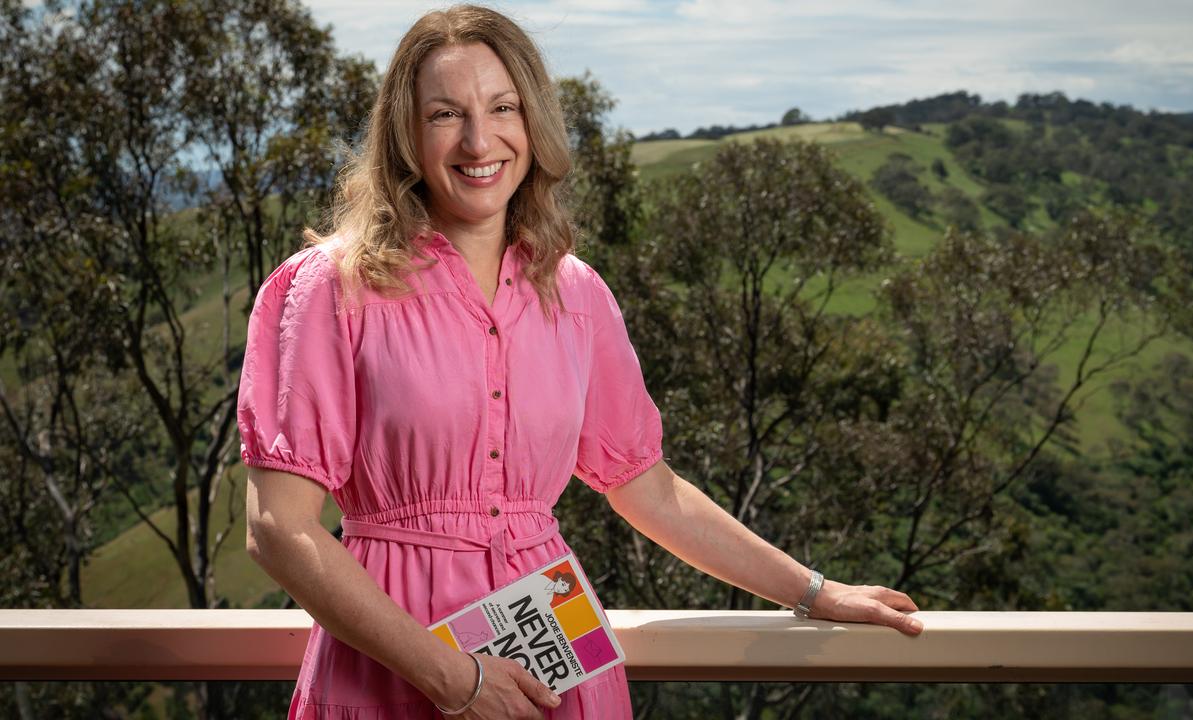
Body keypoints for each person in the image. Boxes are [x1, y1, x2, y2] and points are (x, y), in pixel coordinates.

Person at [238, 5, 923, 719]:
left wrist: (815, 592)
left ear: (532, 122)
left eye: (502, 107)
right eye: (445, 113)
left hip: (558, 668)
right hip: (394, 672)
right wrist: (454, 678)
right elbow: (277, 530)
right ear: (406, 135)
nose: (480, 139)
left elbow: (648, 488)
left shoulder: (575, 293)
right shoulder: (330, 288)